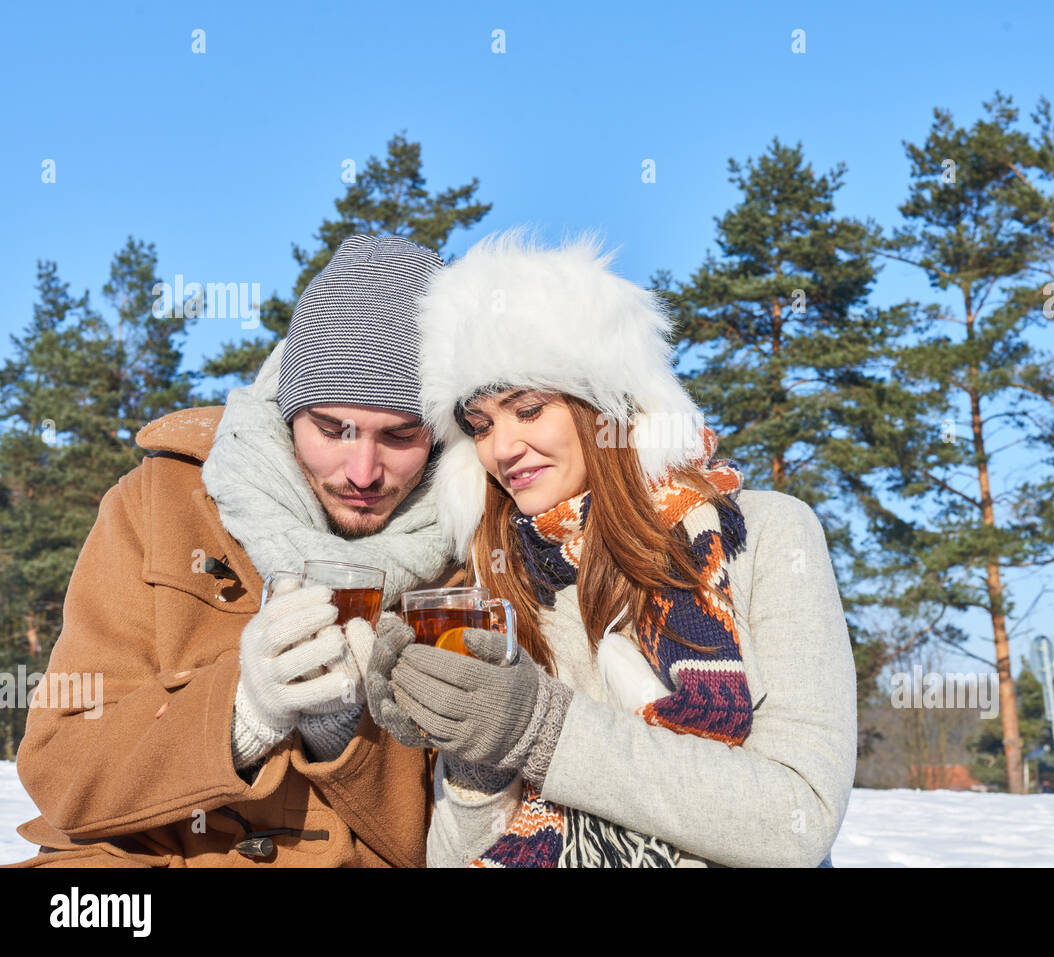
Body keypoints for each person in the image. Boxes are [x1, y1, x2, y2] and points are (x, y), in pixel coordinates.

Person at [364, 229, 858, 867]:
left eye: (528, 408)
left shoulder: (765, 538)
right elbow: (454, 858)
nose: (502, 448)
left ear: (607, 406)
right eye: (480, 425)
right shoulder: (496, 588)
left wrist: (540, 728)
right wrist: (470, 743)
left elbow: (798, 820)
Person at [9, 235, 454, 867]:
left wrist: (342, 738)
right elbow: (60, 767)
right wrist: (244, 711)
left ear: (439, 437)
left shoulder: (478, 536)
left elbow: (471, 831)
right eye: (331, 429)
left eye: (401, 435)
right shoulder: (160, 500)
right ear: (287, 410)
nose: (363, 471)